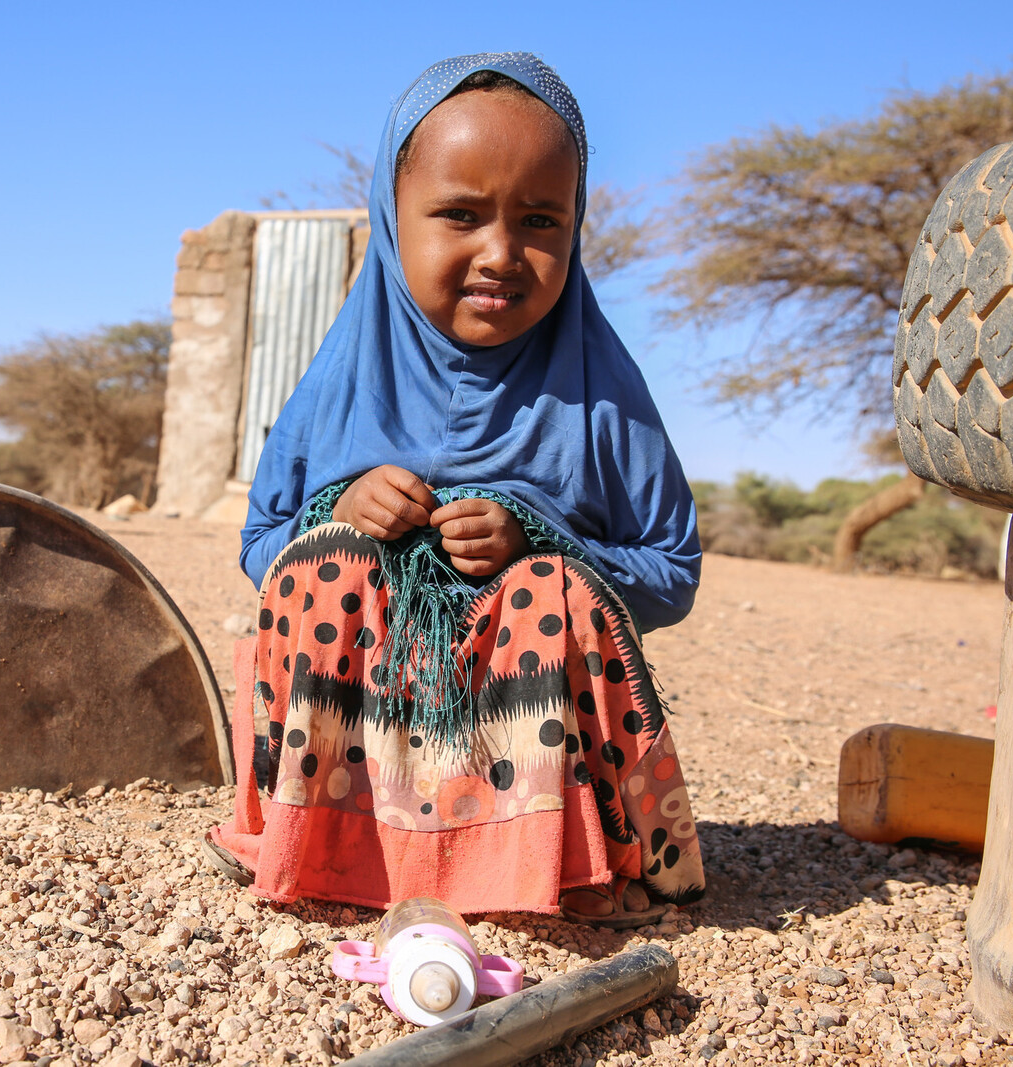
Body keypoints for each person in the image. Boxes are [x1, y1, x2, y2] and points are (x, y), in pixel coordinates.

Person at [205, 52, 704, 927]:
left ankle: (555, 859)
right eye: (461, 215)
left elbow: (672, 569)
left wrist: (541, 545)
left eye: (542, 219)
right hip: (364, 742)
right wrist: (337, 512)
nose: (502, 253)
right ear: (394, 223)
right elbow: (263, 549)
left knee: (546, 594)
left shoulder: (601, 397)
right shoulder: (340, 385)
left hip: (528, 748)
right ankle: (325, 845)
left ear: (578, 225)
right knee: (326, 568)